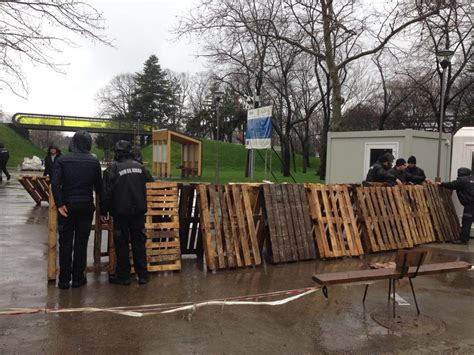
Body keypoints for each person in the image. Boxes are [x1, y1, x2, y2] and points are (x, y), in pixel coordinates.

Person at [51, 131, 102, 289]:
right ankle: (79, 278)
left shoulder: (62, 160)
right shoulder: (94, 162)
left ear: (72, 143)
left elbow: (55, 184)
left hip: (67, 206)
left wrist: (59, 204)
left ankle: (64, 280)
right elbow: (99, 187)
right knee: (81, 243)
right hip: (86, 206)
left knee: (65, 243)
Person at [101, 140, 153, 285]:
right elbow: (152, 184)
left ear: (117, 153)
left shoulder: (112, 169)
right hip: (139, 212)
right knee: (138, 243)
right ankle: (142, 275)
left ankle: (123, 276)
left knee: (122, 245)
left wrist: (103, 211)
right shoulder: (141, 168)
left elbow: (106, 193)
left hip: (120, 213)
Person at [439, 168, 474, 245]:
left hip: (470, 206)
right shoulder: (472, 178)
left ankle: (463, 240)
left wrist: (441, 183)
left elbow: (451, 185)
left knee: (466, 223)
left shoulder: (462, 180)